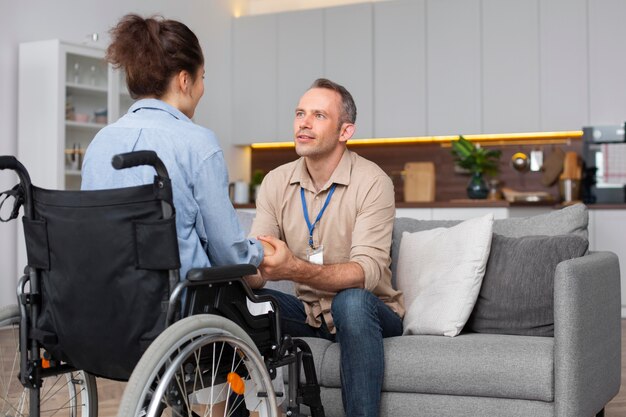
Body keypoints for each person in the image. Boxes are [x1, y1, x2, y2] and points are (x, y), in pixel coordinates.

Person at [249, 78, 405, 417]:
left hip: (371, 312)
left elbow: (365, 273)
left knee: (350, 301)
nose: (303, 123)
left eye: (319, 115)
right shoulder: (276, 181)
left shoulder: (373, 182)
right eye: (300, 113)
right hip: (310, 314)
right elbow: (258, 269)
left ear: (345, 131)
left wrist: (292, 268)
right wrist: (235, 266)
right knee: (243, 302)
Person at [81, 14, 264, 279]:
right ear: (184, 81)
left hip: (108, 300)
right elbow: (230, 255)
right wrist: (262, 251)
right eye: (202, 77)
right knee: (284, 310)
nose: (202, 88)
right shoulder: (198, 142)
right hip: (181, 303)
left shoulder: (101, 141)